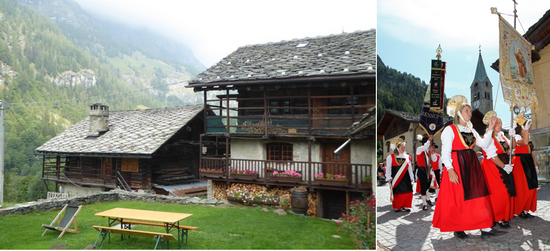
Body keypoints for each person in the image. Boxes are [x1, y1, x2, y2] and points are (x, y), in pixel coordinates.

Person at [432, 95, 506, 240]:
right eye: (467, 111)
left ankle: (485, 228)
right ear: (458, 113)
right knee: (459, 199)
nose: (470, 114)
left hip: (471, 165)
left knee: (479, 195)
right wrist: (450, 169)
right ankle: (458, 228)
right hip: (457, 166)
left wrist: (490, 128)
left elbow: (484, 144)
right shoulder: (450, 129)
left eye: (470, 111)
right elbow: (445, 152)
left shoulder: (471, 130)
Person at [479, 111, 515, 229]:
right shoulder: (488, 137)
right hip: (492, 166)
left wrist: (512, 135)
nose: (500, 125)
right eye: (497, 123)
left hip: (502, 164)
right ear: (492, 124)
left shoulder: (502, 136)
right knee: (499, 192)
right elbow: (492, 156)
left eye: (500, 123)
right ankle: (498, 217)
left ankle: (502, 216)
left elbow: (512, 147)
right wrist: (504, 167)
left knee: (506, 190)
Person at [511, 114, 538, 219]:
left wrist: (535, 166)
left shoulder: (527, 135)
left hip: (528, 162)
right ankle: (520, 209)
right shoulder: (517, 136)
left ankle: (526, 208)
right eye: (527, 124)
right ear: (522, 125)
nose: (529, 126)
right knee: (523, 188)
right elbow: (524, 142)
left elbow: (531, 152)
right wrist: (526, 130)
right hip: (520, 162)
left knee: (531, 186)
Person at [386, 138, 414, 212]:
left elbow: (409, 168)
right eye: (401, 147)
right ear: (397, 148)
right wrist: (388, 177)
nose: (403, 149)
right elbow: (388, 168)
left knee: (407, 191)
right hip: (396, 177)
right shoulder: (391, 157)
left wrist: (411, 177)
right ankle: (398, 206)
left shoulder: (407, 157)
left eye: (404, 147)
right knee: (398, 192)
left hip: (406, 177)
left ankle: (406, 205)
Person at [415, 134, 434, 210]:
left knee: (432, 187)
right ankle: (424, 204)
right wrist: (429, 140)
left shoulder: (428, 152)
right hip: (422, 171)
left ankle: (428, 198)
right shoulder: (419, 149)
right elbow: (425, 147)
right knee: (424, 188)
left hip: (429, 171)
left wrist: (432, 153)